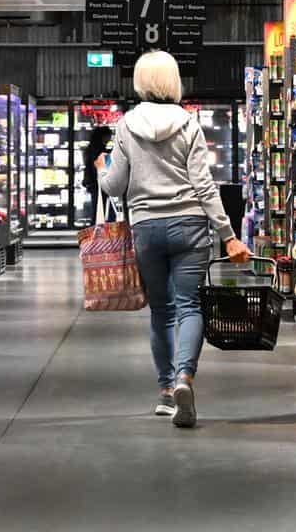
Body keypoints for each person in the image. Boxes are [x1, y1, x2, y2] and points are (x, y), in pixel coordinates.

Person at [97, 50, 250, 428]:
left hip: (147, 228)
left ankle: (166, 392)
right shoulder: (188, 124)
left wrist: (104, 170)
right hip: (190, 226)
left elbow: (115, 185)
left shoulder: (127, 125)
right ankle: (185, 377)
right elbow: (203, 185)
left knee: (161, 311)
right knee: (191, 307)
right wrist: (228, 235)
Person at [81, 125, 113, 223]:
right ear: (103, 136)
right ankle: (98, 230)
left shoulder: (91, 148)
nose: (110, 138)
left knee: (97, 208)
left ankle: (96, 229)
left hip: (93, 182)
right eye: (109, 136)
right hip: (98, 182)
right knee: (100, 208)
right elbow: (99, 166)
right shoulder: (99, 149)